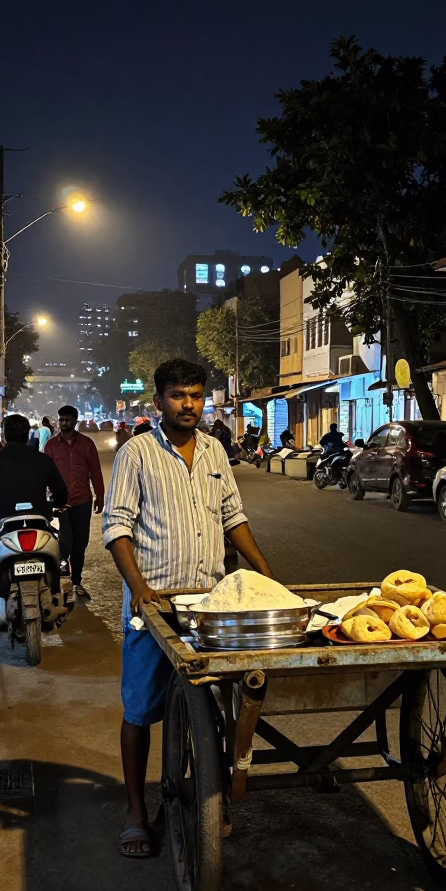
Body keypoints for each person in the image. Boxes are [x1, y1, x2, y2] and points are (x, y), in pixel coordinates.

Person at [104, 359, 273, 859]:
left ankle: (207, 798)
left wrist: (264, 571)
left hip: (209, 606)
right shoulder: (137, 453)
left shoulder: (216, 450)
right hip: (154, 607)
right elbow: (117, 527)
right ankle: (136, 811)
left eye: (196, 395)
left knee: (215, 710)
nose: (188, 405)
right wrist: (139, 588)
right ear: (159, 401)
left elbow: (232, 517)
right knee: (140, 710)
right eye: (178, 395)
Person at [0, 414, 68, 610]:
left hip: (3, 523)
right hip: (39, 521)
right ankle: (59, 591)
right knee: (60, 555)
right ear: (28, 434)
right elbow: (61, 495)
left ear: (4, 435)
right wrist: (49, 506)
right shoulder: (43, 460)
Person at [44, 404, 105, 599]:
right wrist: (44, 498)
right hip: (60, 502)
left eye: (67, 419)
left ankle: (77, 581)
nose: (63, 423)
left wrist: (100, 496)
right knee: (65, 542)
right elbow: (44, 473)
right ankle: (63, 579)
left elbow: (95, 471)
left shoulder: (86, 444)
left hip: (82, 500)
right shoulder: (51, 445)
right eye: (61, 419)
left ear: (75, 421)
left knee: (80, 544)